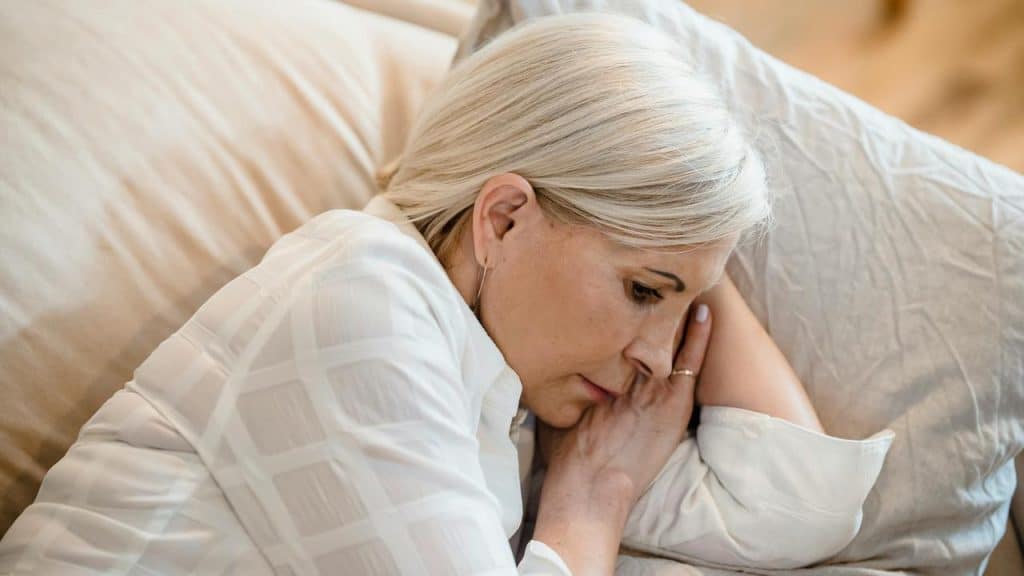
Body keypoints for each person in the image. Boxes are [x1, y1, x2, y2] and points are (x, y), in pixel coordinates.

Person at [0, 12, 893, 575]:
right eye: (640, 290)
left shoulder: (520, 388)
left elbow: (791, 513)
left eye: (678, 308)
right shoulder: (358, 295)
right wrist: (588, 512)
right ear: (503, 219)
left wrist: (698, 253)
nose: (660, 358)